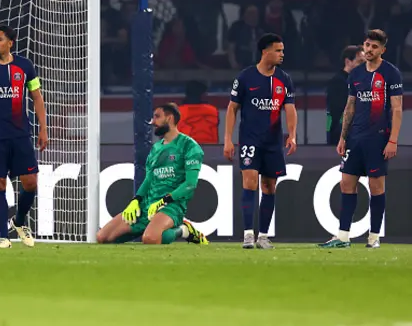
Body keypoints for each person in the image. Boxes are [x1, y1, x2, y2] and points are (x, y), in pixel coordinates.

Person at [319, 30, 403, 249]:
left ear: (382, 50)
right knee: (346, 183)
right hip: (355, 138)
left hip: (378, 138)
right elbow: (350, 106)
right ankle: (343, 236)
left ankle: (374, 237)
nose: (368, 50)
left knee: (376, 186)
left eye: (374, 47)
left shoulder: (391, 73)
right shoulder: (356, 74)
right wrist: (342, 137)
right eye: (367, 45)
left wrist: (393, 140)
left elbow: (396, 109)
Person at [0, 25, 48, 248]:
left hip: (21, 134)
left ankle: (19, 221)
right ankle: (3, 237)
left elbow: (37, 97)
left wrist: (43, 128)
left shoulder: (25, 67)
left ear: (10, 43)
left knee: (31, 183)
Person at [96, 103, 208, 245]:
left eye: (157, 117)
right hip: (147, 206)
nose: (152, 122)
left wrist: (165, 200)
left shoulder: (189, 146)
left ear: (169, 118)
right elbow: (149, 179)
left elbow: (190, 184)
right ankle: (151, 227)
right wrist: (135, 201)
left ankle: (184, 230)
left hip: (171, 206)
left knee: (150, 239)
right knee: (103, 237)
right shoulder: (156, 148)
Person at [224, 33, 297, 249]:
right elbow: (232, 109)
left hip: (273, 141)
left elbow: (290, 109)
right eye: (278, 50)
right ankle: (248, 234)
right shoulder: (245, 78)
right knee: (249, 182)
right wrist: (228, 139)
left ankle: (263, 236)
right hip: (250, 139)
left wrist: (292, 135)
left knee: (269, 186)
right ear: (265, 52)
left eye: (283, 50)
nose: (282, 54)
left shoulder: (284, 79)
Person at [326, 45, 364, 145]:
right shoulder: (338, 82)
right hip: (340, 137)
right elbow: (338, 110)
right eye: (360, 62)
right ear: (348, 62)